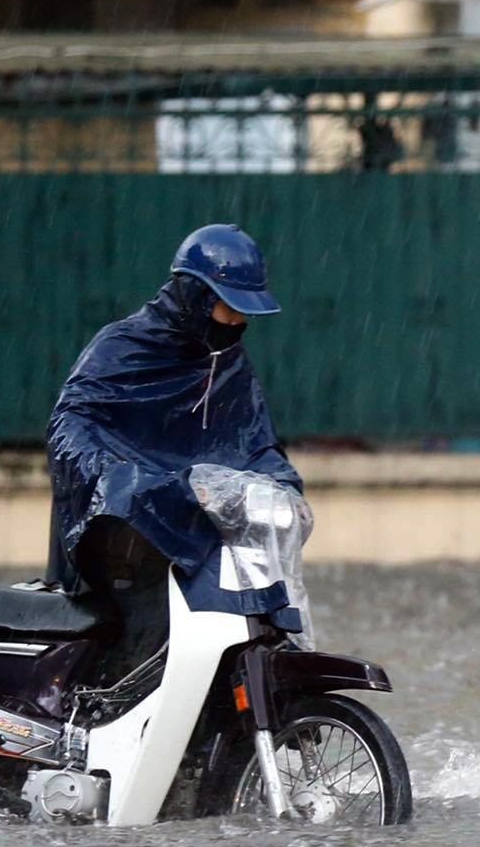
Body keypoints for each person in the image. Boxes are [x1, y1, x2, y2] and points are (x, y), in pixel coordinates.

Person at [46, 224, 303, 677]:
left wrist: (282, 486)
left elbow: (253, 442)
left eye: (246, 312)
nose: (239, 322)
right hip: (125, 539)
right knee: (142, 644)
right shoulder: (121, 348)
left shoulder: (228, 363)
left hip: (201, 537)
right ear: (197, 296)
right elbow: (72, 427)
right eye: (230, 308)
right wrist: (119, 482)